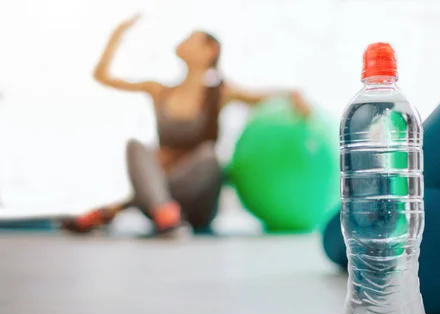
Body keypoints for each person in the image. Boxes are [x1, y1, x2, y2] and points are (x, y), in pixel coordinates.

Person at [62, 14, 311, 236]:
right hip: (161, 202)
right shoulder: (159, 91)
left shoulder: (221, 92)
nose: (184, 40)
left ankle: (121, 207)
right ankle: (162, 210)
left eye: (193, 38)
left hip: (197, 201)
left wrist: (294, 95)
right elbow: (102, 77)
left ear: (209, 50)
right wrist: (116, 36)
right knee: (136, 146)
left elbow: (265, 97)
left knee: (209, 157)